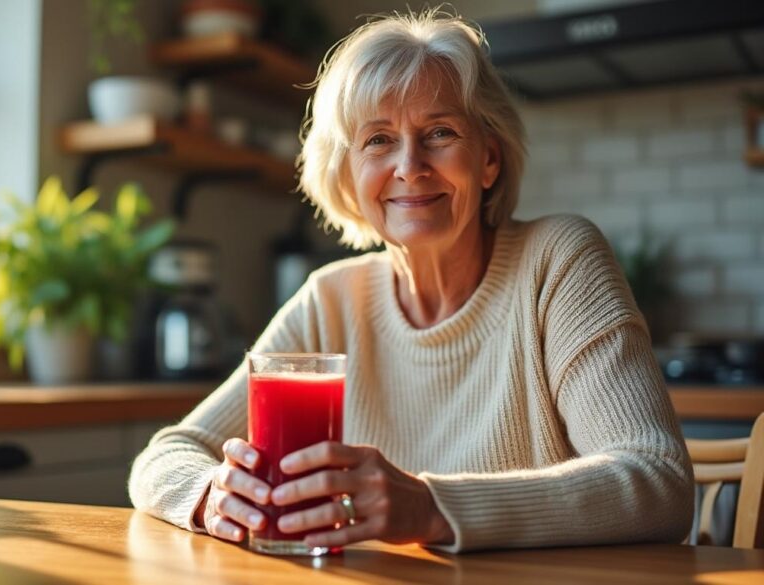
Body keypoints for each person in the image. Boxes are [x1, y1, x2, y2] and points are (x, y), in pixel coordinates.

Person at [128, 8, 693, 552]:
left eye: (440, 132)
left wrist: (429, 507)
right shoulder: (331, 299)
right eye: (377, 140)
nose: (409, 166)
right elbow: (167, 453)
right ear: (349, 176)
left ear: (489, 159)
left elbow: (659, 481)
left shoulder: (557, 261)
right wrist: (213, 496)